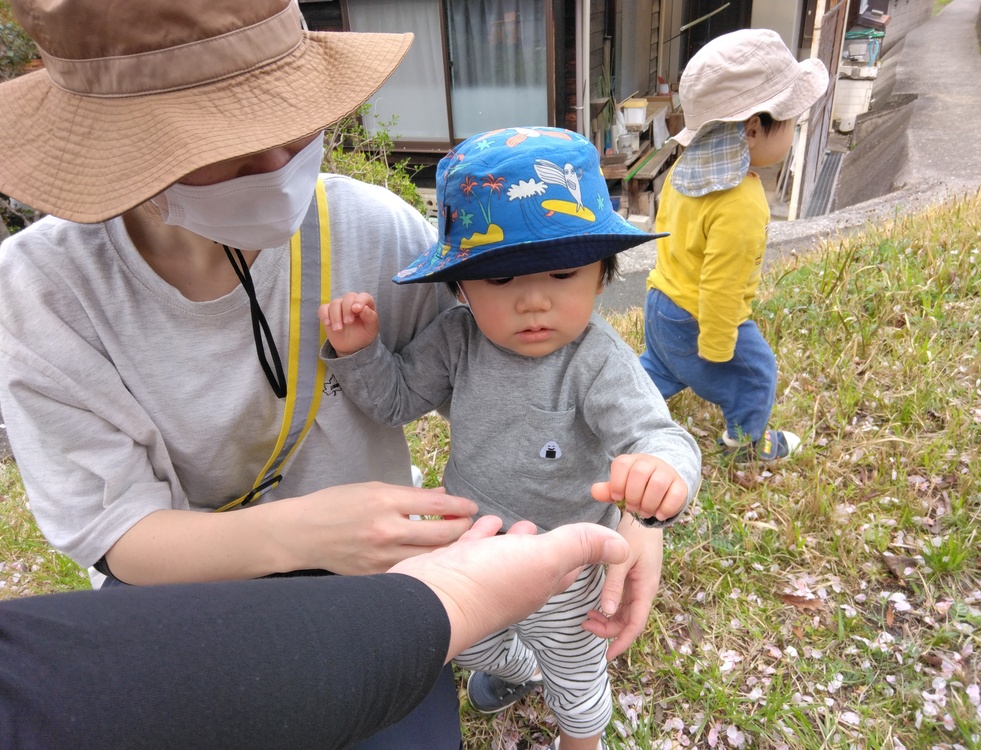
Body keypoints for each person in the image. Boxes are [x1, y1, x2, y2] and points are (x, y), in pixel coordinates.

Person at [0, 2, 675, 746]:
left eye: (290, 116)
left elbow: (520, 385)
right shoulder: (43, 292)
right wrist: (304, 531)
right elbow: (118, 531)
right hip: (183, 597)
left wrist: (639, 509)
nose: (276, 163)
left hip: (382, 580)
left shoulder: (373, 231)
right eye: (224, 137)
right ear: (118, 141)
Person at [320, 126, 703, 750]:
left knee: (575, 673)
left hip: (568, 562)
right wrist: (360, 352)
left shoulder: (597, 360)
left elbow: (657, 434)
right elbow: (396, 402)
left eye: (562, 272)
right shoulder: (456, 339)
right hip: (473, 544)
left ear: (601, 276)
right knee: (469, 642)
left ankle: (578, 730)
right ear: (461, 286)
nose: (532, 301)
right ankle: (520, 669)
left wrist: (663, 472)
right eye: (499, 280)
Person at [0, 517, 630, 750]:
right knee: (483, 644)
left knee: (566, 665)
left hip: (519, 576)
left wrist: (649, 511)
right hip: (447, 580)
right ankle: (519, 669)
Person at [641, 29, 829, 461]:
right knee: (756, 375)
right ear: (753, 129)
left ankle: (612, 407)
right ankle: (746, 445)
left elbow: (666, 232)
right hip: (699, 317)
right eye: (790, 122)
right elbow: (722, 285)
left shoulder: (683, 171)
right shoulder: (741, 202)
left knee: (661, 366)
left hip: (661, 303)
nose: (794, 130)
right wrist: (718, 346)